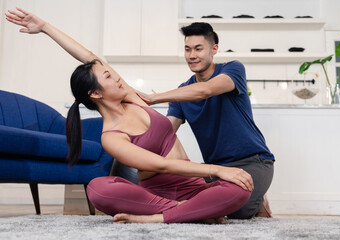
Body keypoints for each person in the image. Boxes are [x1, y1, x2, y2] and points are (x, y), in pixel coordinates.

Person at [5, 8, 254, 224]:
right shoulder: (111, 136)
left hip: (193, 187)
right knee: (98, 188)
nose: (116, 76)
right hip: (156, 194)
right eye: (109, 77)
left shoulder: (133, 99)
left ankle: (169, 215)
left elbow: (90, 56)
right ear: (96, 93)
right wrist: (217, 170)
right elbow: (161, 165)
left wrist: (46, 27)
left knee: (238, 189)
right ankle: (177, 212)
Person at [136, 22, 275, 219]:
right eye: (187, 49)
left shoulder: (233, 69)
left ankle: (259, 199)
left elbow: (205, 90)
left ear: (214, 49)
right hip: (215, 169)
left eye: (198, 49)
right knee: (204, 203)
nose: (192, 55)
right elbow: (166, 131)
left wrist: (155, 97)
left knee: (236, 211)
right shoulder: (182, 91)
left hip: (254, 162)